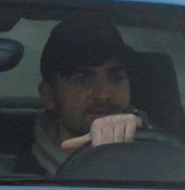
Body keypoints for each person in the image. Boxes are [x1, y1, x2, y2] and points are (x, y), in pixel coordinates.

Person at [23, 17, 146, 176]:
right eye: (82, 79)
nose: (103, 95)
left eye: (116, 78)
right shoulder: (15, 182)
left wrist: (145, 137)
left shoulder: (170, 158)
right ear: (49, 95)